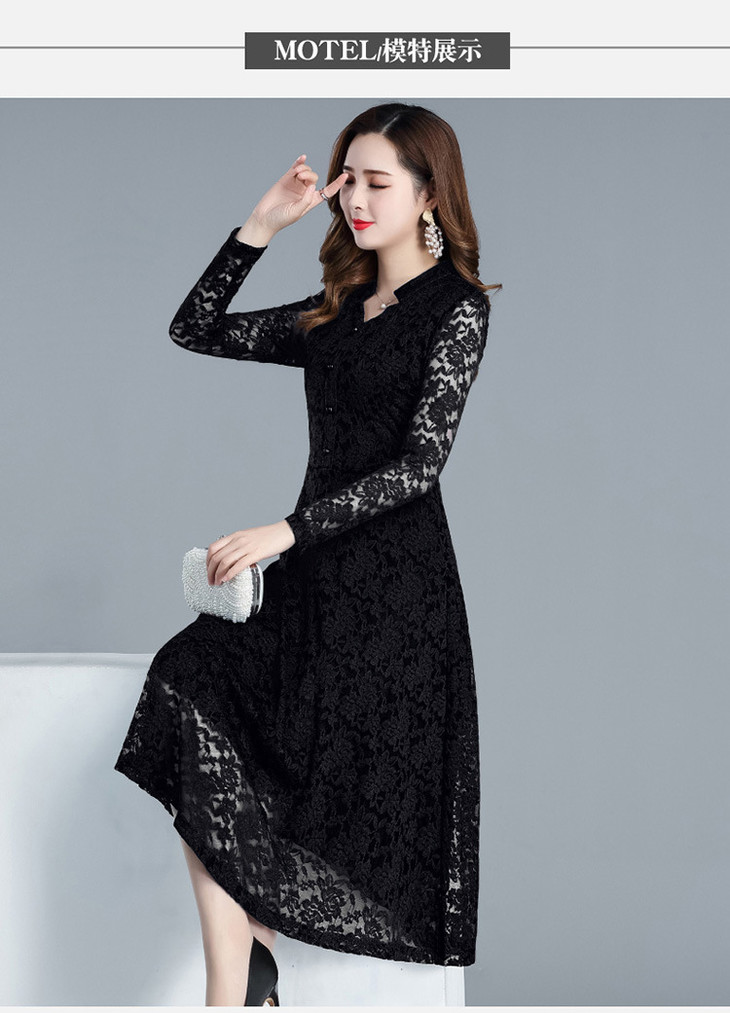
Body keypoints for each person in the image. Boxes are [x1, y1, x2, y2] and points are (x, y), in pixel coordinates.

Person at [114, 102, 500, 1006]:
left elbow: (419, 466)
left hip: (397, 596)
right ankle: (244, 971)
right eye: (347, 179)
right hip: (313, 584)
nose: (355, 198)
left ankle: (233, 987)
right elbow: (195, 327)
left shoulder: (457, 309)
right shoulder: (337, 313)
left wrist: (285, 530)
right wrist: (261, 226)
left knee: (305, 780)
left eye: (378, 182)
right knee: (189, 682)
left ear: (429, 195)